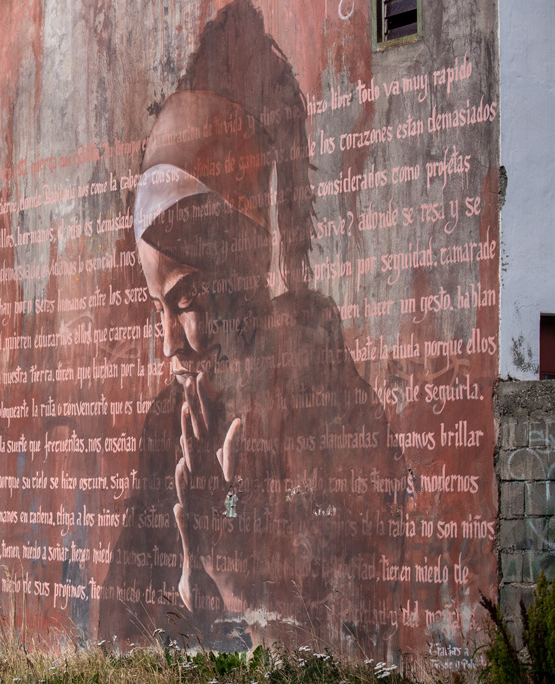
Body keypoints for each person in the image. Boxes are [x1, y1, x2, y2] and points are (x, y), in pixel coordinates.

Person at [99, 1, 407, 653]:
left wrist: (230, 567)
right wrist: (186, 580)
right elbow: (115, 639)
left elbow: (362, 640)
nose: (171, 347)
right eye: (160, 307)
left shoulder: (337, 417)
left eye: (183, 299)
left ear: (242, 261)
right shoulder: (168, 428)